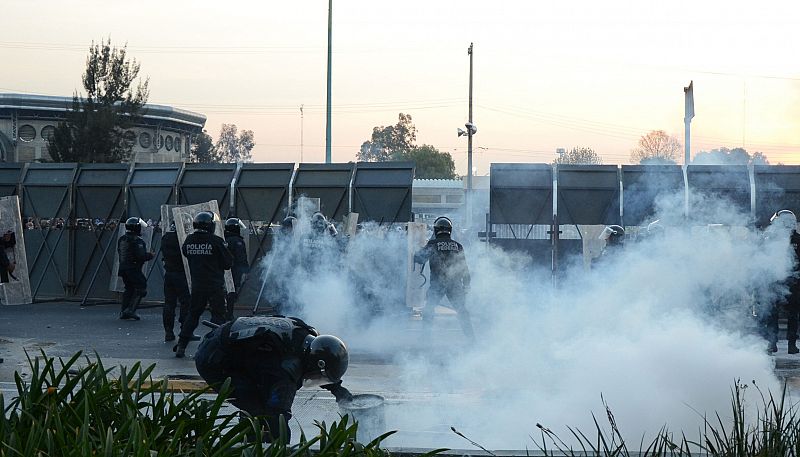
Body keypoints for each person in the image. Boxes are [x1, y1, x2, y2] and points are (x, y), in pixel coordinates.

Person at [194, 315, 353, 443]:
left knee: (261, 399)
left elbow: (318, 362)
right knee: (258, 411)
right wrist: (282, 447)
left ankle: (251, 441)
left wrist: (337, 389)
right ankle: (249, 447)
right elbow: (278, 416)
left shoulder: (304, 333)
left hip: (236, 347)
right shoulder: (286, 371)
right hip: (213, 360)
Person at [174, 211, 233, 358]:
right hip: (215, 285)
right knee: (218, 316)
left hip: (198, 285)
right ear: (210, 225)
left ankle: (181, 344)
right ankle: (216, 347)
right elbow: (228, 263)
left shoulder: (189, 240)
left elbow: (186, 252)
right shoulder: (216, 241)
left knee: (193, 314)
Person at [413, 216, 475, 341]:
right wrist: (466, 285)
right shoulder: (458, 246)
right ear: (450, 230)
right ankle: (471, 339)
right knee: (462, 311)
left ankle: (425, 339)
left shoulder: (432, 245)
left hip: (438, 284)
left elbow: (419, 258)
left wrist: (418, 248)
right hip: (455, 285)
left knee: (429, 310)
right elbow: (464, 269)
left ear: (436, 230)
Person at [761, 210, 800, 354]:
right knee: (773, 314)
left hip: (793, 282)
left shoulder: (797, 240)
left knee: (791, 314)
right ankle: (773, 343)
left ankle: (790, 344)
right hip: (775, 280)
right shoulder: (771, 239)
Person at [117, 217, 154, 320]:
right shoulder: (137, 241)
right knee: (141, 287)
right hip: (133, 268)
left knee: (129, 288)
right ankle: (130, 310)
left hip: (123, 268)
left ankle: (124, 311)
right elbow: (141, 256)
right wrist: (150, 255)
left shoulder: (122, 239)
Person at [160, 222, 192, 342]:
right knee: (186, 302)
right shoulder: (183, 238)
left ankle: (168, 331)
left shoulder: (166, 238)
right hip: (181, 273)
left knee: (169, 303)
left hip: (169, 273)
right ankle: (185, 329)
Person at [224, 218, 250, 321]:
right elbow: (241, 257)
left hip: (223, 270)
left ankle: (224, 312)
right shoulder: (237, 241)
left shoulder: (224, 239)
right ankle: (229, 314)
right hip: (234, 270)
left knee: (225, 292)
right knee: (232, 292)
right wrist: (246, 271)